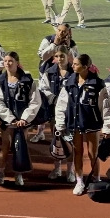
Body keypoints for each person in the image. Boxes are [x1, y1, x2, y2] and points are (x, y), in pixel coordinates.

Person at [54, 54, 110, 196]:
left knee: (93, 153)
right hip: (75, 123)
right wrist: (60, 122)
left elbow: (107, 106)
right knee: (77, 152)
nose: (73, 66)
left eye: (76, 64)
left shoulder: (98, 84)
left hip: (91, 123)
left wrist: (108, 126)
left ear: (85, 67)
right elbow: (61, 103)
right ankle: (79, 180)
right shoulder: (69, 83)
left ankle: (96, 178)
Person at [0, 51, 42, 186]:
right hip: (8, 121)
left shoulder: (27, 80)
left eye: (11, 61)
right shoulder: (0, 81)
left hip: (22, 121)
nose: (7, 63)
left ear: (17, 63)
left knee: (19, 146)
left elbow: (35, 100)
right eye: (6, 61)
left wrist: (24, 119)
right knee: (5, 146)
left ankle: (18, 174)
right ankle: (1, 172)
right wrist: (10, 119)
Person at [37, 45, 73, 180]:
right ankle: (57, 168)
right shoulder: (50, 72)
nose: (59, 59)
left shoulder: (74, 72)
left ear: (67, 56)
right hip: (54, 112)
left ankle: (70, 170)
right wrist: (53, 98)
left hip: (70, 113)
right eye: (57, 56)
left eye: (62, 56)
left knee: (70, 141)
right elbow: (43, 87)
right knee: (56, 139)